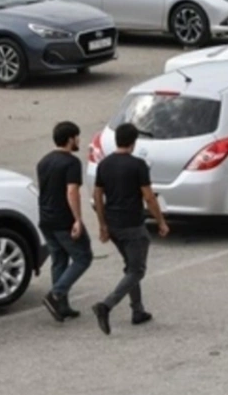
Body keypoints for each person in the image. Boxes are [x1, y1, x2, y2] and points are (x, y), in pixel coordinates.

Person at [90, 123, 170, 335]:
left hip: (113, 224)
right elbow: (148, 196)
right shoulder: (138, 165)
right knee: (137, 270)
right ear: (133, 143)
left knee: (130, 266)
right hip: (133, 224)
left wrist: (102, 224)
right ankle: (106, 305)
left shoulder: (104, 164)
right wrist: (160, 221)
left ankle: (138, 310)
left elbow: (97, 195)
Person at [37, 121, 91, 322]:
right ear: (70, 139)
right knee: (83, 257)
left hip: (46, 219)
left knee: (59, 259)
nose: (78, 141)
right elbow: (72, 191)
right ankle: (56, 294)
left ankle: (62, 307)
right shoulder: (71, 163)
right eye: (77, 137)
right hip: (63, 220)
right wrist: (77, 219)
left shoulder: (44, 161)